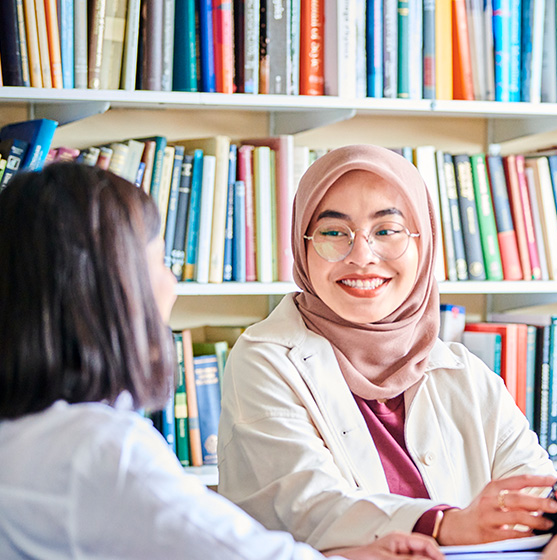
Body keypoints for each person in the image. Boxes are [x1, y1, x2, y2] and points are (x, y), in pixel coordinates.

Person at [0, 163, 444, 560]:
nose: (170, 285)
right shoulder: (100, 451)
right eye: (157, 263)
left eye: (387, 231)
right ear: (110, 292)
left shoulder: (29, 436)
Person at [218, 144, 557, 551]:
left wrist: (555, 541)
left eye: (387, 231)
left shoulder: (464, 373)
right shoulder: (264, 358)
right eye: (332, 232)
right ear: (302, 245)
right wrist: (443, 526)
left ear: (424, 243)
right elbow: (306, 504)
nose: (361, 256)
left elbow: (535, 494)